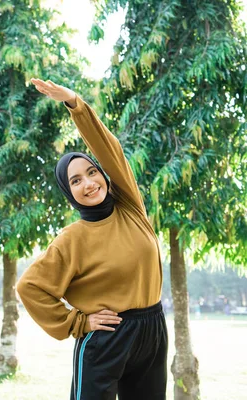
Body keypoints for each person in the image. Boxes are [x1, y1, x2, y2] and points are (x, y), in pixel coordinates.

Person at [16, 79, 168, 400]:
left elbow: (108, 150)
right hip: (107, 337)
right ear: (68, 193)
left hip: (153, 328)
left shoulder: (131, 208)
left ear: (103, 175)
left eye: (91, 172)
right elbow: (29, 287)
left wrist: (75, 104)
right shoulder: (72, 239)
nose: (88, 183)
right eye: (75, 180)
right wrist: (76, 322)